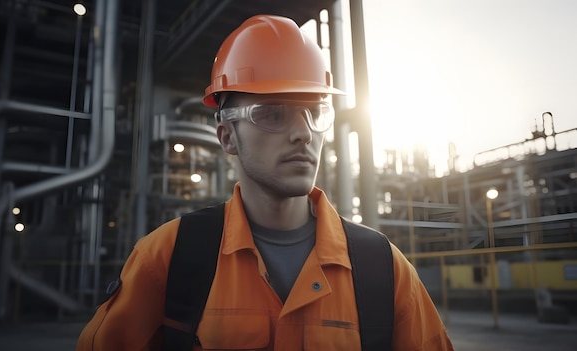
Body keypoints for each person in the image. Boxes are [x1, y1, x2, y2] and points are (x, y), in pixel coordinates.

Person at [76, 14, 454, 350]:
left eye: (315, 113)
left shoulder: (383, 268)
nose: (303, 135)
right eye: (273, 114)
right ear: (227, 137)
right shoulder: (168, 258)